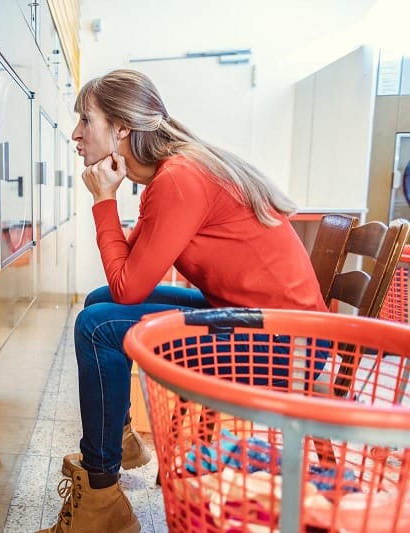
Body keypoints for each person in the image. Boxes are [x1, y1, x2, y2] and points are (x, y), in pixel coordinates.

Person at [38, 69, 327, 533]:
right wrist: (111, 199)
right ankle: (120, 441)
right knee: (96, 304)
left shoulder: (179, 179)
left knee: (97, 327)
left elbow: (128, 287)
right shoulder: (173, 175)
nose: (75, 134)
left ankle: (101, 493)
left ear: (121, 129)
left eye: (84, 121)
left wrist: (104, 200)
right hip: (264, 325)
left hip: (286, 347)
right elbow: (126, 274)